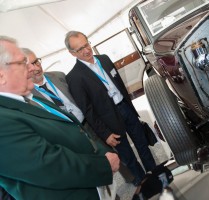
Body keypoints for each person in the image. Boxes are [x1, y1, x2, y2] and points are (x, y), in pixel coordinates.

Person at [0, 35, 120, 200]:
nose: (30, 69)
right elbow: (49, 165)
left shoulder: (25, 101)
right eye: (22, 63)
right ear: (1, 76)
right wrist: (103, 166)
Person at [65, 31, 156, 186]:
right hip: (109, 122)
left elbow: (119, 85)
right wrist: (105, 134)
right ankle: (143, 184)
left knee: (143, 145)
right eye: (80, 49)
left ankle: (155, 174)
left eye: (86, 44)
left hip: (126, 109)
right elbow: (88, 110)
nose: (86, 50)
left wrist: (132, 110)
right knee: (128, 157)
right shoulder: (74, 77)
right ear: (72, 53)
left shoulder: (104, 59)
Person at [21, 48, 85, 122]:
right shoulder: (26, 96)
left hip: (87, 123)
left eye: (36, 62)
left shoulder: (59, 75)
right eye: (30, 65)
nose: (37, 68)